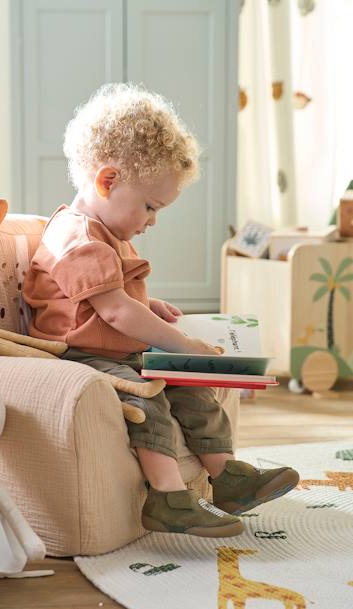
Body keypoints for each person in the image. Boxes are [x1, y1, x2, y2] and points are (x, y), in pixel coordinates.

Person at [23, 83, 299, 538]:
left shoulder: (106, 233)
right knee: (145, 397)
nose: (152, 220)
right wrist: (185, 342)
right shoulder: (77, 238)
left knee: (190, 386)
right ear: (107, 181)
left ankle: (226, 476)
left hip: (114, 349)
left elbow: (105, 301)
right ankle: (168, 497)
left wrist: (148, 305)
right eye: (150, 206)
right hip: (79, 355)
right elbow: (113, 314)